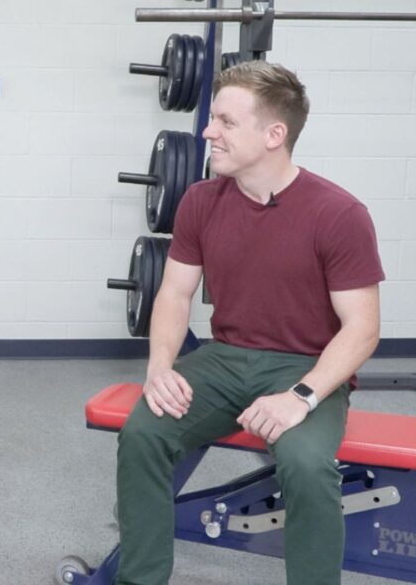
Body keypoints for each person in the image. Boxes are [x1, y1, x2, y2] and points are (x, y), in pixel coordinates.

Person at [115, 61, 384, 585]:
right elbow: (174, 292)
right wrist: (160, 367)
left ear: (273, 134)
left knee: (307, 467)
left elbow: (362, 329)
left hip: (307, 368)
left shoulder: (338, 214)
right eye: (211, 119)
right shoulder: (200, 201)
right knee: (143, 432)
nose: (208, 132)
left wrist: (301, 397)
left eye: (225, 122)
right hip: (224, 358)